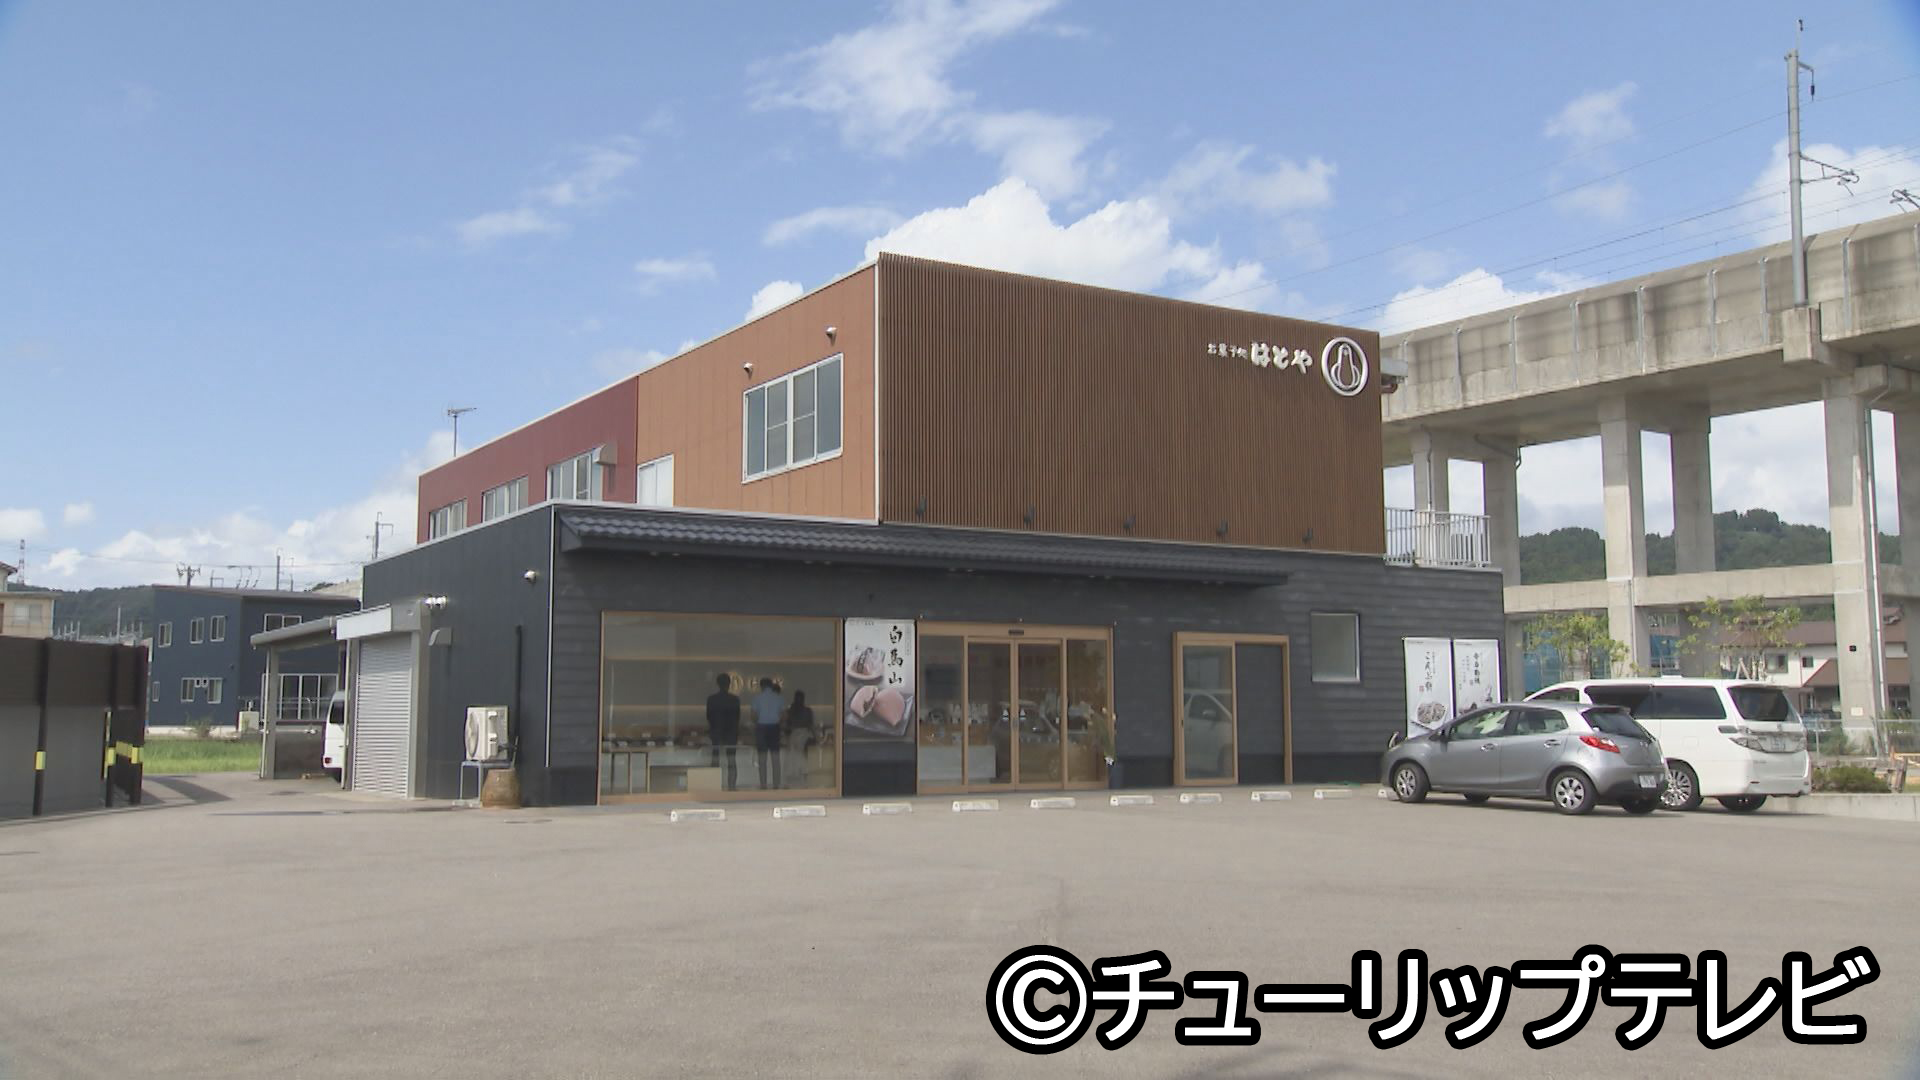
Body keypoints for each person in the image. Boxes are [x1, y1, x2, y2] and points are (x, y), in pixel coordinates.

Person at [705, 673, 740, 790]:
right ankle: (732, 786)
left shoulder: (712, 699)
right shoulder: (735, 700)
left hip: (716, 731)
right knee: (731, 760)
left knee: (715, 759)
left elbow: (709, 716)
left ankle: (713, 786)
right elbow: (737, 717)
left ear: (718, 684)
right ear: (729, 684)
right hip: (731, 732)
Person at [751, 677, 785, 790]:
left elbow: (753, 715)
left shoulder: (757, 698)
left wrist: (757, 723)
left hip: (761, 727)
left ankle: (763, 784)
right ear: (771, 685)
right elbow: (783, 715)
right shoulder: (779, 698)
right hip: (774, 727)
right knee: (775, 757)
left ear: (761, 686)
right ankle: (776, 784)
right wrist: (778, 722)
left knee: (762, 758)